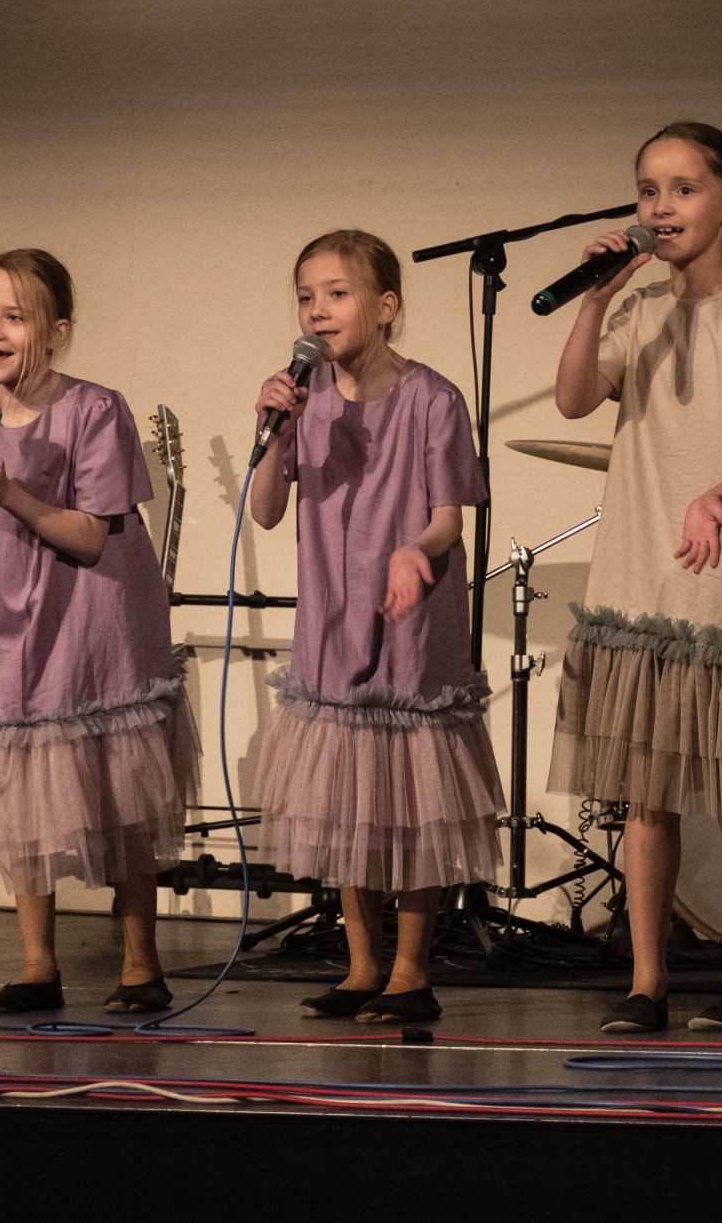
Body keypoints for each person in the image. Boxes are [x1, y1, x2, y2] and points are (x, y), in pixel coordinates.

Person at [548, 122, 722, 1035]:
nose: (660, 207)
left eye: (683, 189)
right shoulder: (637, 312)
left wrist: (716, 493)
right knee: (646, 795)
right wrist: (595, 299)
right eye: (648, 190)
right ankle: (647, 980)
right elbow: (574, 398)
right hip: (640, 581)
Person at [0, 250, 196, 1015]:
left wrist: (12, 492)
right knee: (23, 787)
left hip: (105, 621)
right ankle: (37, 964)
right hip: (20, 626)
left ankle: (140, 962)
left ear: (56, 332)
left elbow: (90, 536)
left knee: (123, 786)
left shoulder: (96, 410)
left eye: (14, 316)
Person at [247, 230, 500, 1025]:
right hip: (332, 623)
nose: (317, 310)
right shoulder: (304, 397)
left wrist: (414, 552)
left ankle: (411, 971)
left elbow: (448, 517)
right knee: (346, 797)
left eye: (337, 293)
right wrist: (273, 430)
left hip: (410, 622)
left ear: (385, 306)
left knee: (412, 801)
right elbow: (265, 509)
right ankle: (362, 966)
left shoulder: (433, 398)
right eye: (305, 296)